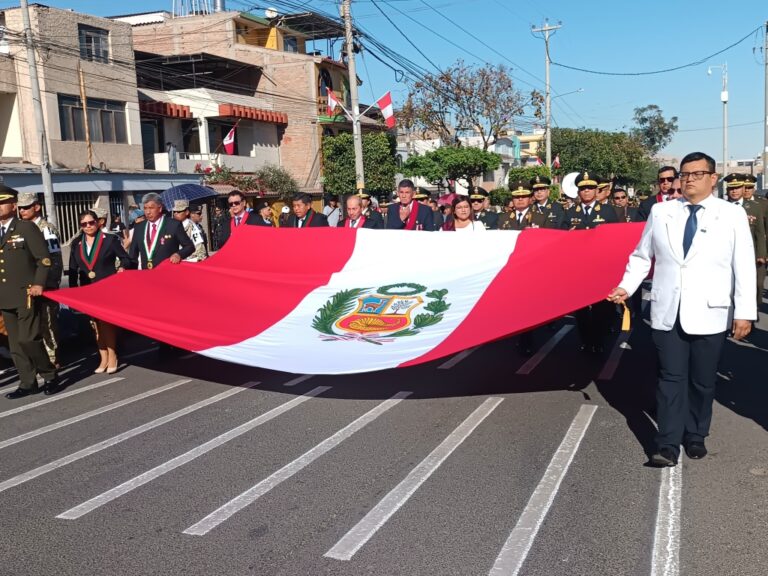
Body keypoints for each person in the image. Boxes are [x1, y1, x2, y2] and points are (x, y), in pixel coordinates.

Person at [608, 152, 756, 467]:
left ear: (713, 178)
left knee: (702, 381)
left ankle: (696, 434)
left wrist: (745, 312)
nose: (689, 179)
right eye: (684, 174)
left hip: (710, 311)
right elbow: (641, 256)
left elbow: (743, 265)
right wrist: (626, 286)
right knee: (670, 378)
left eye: (697, 174)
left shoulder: (730, 215)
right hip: (667, 308)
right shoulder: (662, 212)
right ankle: (667, 444)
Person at [0, 184, 59, 399]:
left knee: (28, 339)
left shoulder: (25, 228)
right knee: (15, 344)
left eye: (2, 203)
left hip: (26, 294)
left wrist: (39, 283)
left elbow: (43, 260)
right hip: (4, 296)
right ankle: (27, 382)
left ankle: (50, 375)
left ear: (13, 205)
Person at [69, 209, 131, 373]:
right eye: (84, 224)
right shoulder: (76, 243)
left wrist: (123, 268)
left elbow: (126, 258)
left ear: (97, 222)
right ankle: (102, 356)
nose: (88, 226)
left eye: (91, 222)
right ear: (81, 226)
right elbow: (73, 269)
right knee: (95, 325)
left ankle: (112, 355)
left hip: (106, 287)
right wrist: (73, 294)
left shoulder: (109, 240)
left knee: (106, 323)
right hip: (88, 289)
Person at [567, 171, 618, 353]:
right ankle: (586, 340)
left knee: (600, 308)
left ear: (597, 190)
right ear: (578, 192)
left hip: (600, 268)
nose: (586, 192)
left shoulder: (607, 211)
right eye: (583, 189)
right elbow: (561, 241)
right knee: (580, 310)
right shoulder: (571, 212)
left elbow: (616, 238)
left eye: (590, 188)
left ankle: (599, 341)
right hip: (579, 270)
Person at [16, 191, 64, 368]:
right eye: (20, 208)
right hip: (27, 284)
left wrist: (49, 284)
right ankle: (39, 360)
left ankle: (52, 359)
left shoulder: (46, 228)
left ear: (37, 207)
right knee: (32, 326)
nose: (23, 211)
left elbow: (55, 260)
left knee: (48, 323)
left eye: (27, 207)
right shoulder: (21, 227)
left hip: (45, 284)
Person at [724, 174, 766, 310]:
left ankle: (751, 311)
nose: (734, 191)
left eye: (737, 188)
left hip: (751, 254)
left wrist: (761, 254)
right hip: (728, 255)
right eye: (731, 188)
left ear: (743, 189)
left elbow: (760, 232)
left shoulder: (755, 207)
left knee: (754, 285)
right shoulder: (721, 206)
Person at [128, 192, 195, 269]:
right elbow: (133, 255)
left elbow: (189, 246)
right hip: (146, 274)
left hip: (167, 272)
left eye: (151, 208)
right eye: (145, 208)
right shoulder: (139, 227)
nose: (148, 212)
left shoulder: (173, 225)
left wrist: (178, 254)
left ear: (160, 208)